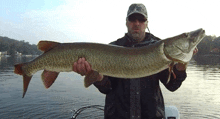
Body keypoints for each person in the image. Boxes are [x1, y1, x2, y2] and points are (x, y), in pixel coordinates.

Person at [73, 3, 197, 119]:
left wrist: (181, 66)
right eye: (132, 19)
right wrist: (96, 77)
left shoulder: (161, 50)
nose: (137, 23)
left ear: (147, 23)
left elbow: (172, 86)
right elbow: (107, 88)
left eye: (141, 20)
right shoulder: (113, 48)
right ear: (126, 23)